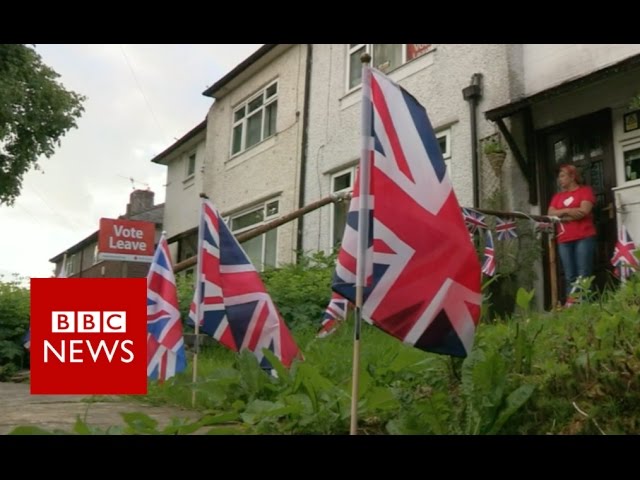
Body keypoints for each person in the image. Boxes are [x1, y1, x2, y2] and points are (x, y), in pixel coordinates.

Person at [548, 164, 597, 305]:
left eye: (562, 176)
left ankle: (585, 305)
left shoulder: (585, 191)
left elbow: (583, 212)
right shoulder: (558, 196)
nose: (560, 179)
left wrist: (561, 215)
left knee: (583, 274)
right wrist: (569, 211)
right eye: (559, 177)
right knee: (570, 275)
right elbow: (550, 214)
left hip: (584, 237)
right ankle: (573, 306)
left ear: (572, 176)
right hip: (564, 239)